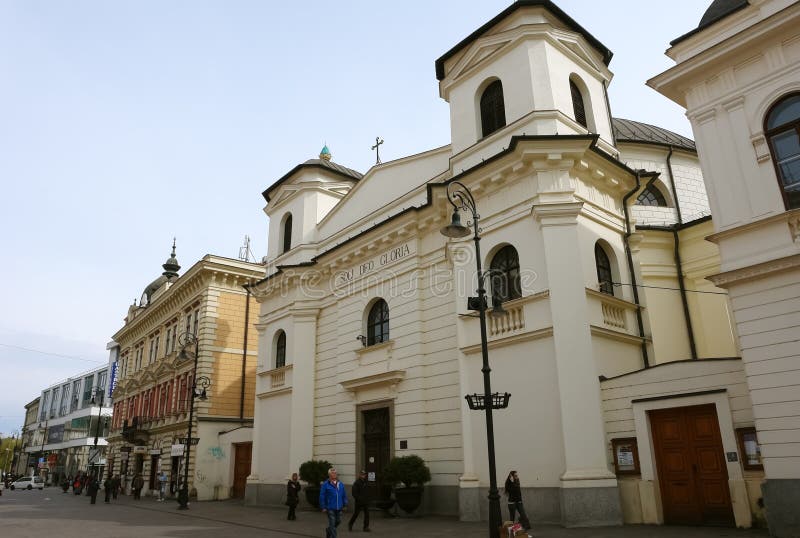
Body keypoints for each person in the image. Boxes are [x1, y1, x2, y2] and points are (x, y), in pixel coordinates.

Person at [319, 468, 347, 538]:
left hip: (339, 507)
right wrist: (323, 507)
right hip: (330, 507)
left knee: (338, 521)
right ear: (329, 475)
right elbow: (322, 496)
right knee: (332, 523)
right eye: (332, 473)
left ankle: (329, 530)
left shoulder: (340, 484)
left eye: (335, 473)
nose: (334, 474)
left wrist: (345, 504)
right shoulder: (325, 484)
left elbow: (344, 495)